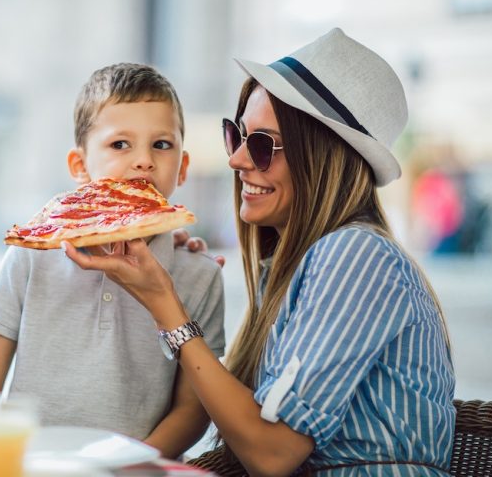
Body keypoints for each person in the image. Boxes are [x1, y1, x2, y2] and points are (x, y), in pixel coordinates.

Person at [65, 29, 455, 476]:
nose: (237, 160)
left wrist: (165, 304)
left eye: (264, 144)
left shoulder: (355, 254)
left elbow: (271, 453)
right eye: (238, 135)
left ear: (324, 157)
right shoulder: (298, 265)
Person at [0, 63, 226, 458]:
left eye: (162, 144)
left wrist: (128, 466)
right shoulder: (31, 255)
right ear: (79, 167)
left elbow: (191, 411)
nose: (144, 161)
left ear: (182, 168)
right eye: (120, 144)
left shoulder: (200, 275)